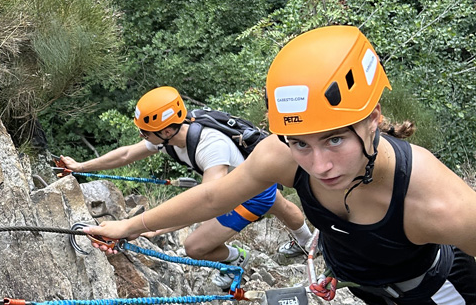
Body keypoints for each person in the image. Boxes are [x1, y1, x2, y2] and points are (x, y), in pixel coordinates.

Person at [85, 26, 476, 305]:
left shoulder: (433, 202)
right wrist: (130, 227)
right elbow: (214, 197)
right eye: (300, 142)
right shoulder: (283, 156)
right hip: (368, 278)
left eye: (334, 138)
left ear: (372, 117)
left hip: (435, 292)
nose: (319, 165)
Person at [59, 86, 314, 290]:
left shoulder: (210, 146)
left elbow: (209, 201)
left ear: (168, 129)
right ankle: (309, 242)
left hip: (250, 195)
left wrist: (152, 226)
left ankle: (237, 258)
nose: (141, 136)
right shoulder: (171, 134)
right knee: (280, 204)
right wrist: (81, 166)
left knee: (195, 247)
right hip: (252, 177)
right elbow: (126, 154)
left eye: (145, 132)